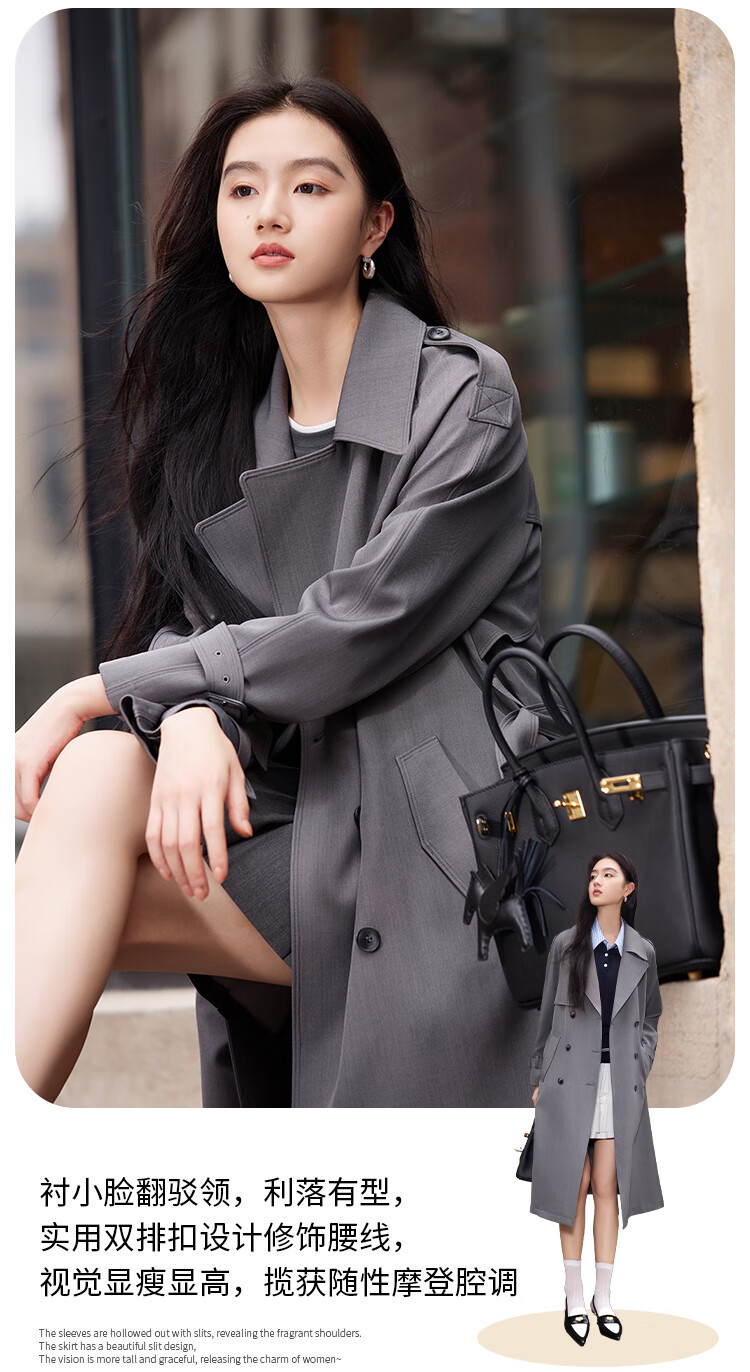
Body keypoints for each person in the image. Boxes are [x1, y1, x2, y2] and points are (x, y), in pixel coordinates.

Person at [15, 76, 552, 1109]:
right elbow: (204, 629)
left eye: (309, 187)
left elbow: (361, 620)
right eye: (242, 189)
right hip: (300, 822)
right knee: (94, 776)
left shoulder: (461, 393)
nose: (269, 212)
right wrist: (190, 717)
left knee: (79, 820)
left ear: (374, 225)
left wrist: (105, 688)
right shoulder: (227, 421)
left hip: (434, 850)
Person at [529, 852, 663, 1344]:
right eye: (593, 874)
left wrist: (640, 1062)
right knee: (574, 1181)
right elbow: (546, 1018)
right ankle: (573, 1294)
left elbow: (651, 1017)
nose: (597, 881)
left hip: (618, 1080)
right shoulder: (567, 946)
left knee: (608, 1185)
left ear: (628, 889)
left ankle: (602, 1298)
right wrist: (538, 1076)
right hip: (567, 1077)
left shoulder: (643, 952)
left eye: (609, 875)